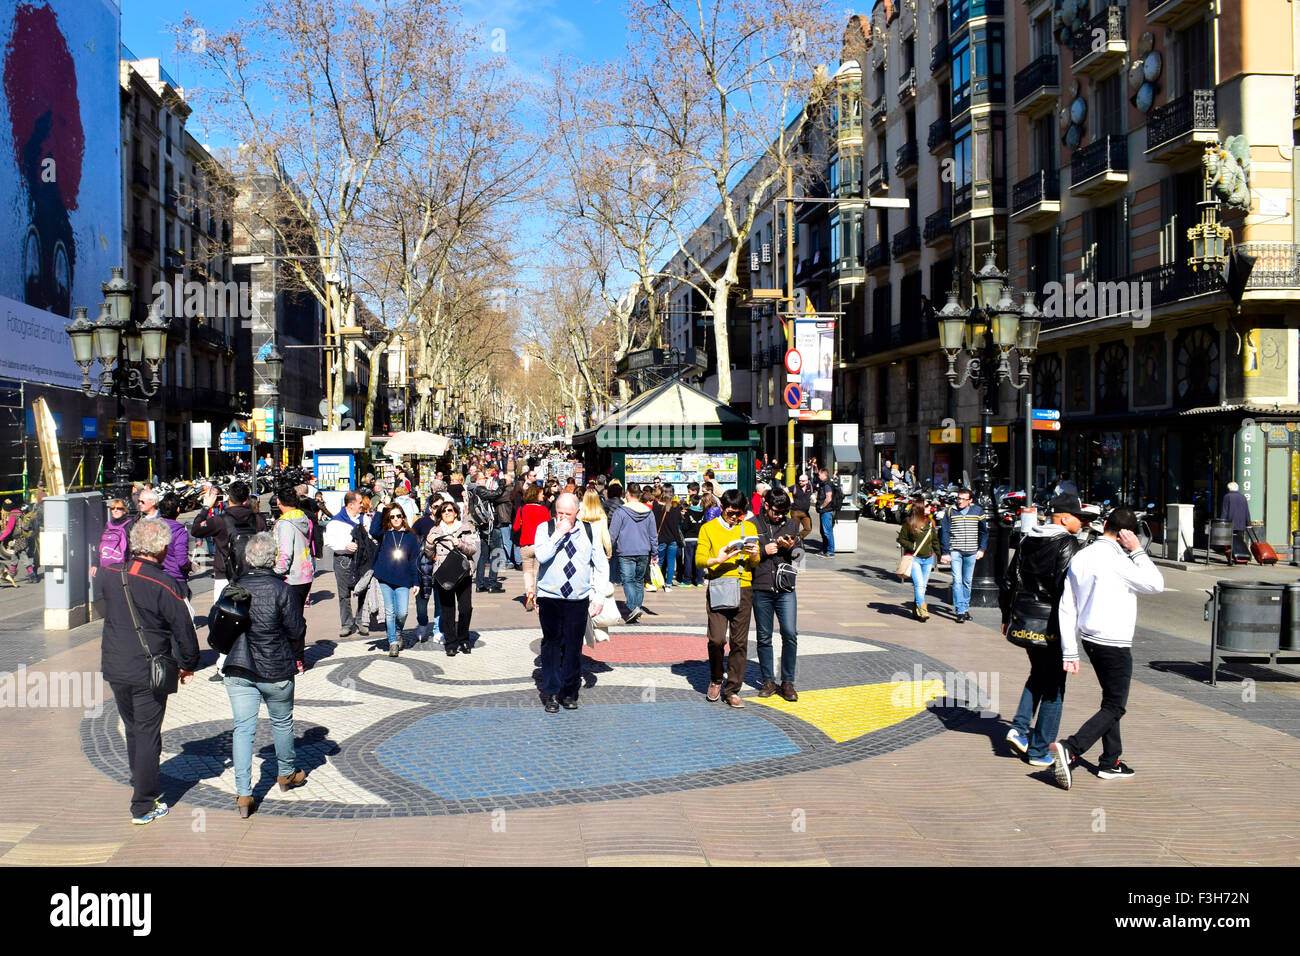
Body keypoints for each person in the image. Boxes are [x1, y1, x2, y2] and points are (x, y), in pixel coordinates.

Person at [1050, 508, 1164, 789]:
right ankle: (1071, 748)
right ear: (1128, 534)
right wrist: (1137, 551)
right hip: (1114, 642)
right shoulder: (1120, 561)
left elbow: (1068, 606)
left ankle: (1110, 761)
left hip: (1090, 639)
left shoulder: (1083, 555)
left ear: (1106, 526)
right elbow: (1156, 584)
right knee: (1115, 706)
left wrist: (1070, 650)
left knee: (1110, 701)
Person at [98, 520, 200, 824]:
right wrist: (188, 663)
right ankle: (142, 803)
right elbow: (185, 630)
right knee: (146, 733)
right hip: (148, 667)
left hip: (116, 664)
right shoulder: (165, 583)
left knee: (133, 728)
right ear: (164, 549)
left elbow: (108, 611)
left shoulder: (110, 574)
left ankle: (139, 780)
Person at [1000, 494, 1088, 769]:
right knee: (1054, 688)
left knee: (1037, 674)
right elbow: (1068, 589)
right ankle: (1039, 750)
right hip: (1051, 623)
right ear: (1063, 518)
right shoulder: (1067, 543)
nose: (1081, 522)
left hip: (1026, 620)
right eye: (1077, 517)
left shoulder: (1028, 539)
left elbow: (1009, 580)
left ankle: (1019, 728)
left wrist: (1007, 615)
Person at [223, 532, 307, 817]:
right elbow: (296, 630)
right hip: (276, 666)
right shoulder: (282, 589)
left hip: (239, 665)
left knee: (243, 730)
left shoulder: (233, 587)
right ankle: (285, 773)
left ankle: (244, 794)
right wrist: (297, 655)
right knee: (282, 722)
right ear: (273, 559)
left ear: (247, 558)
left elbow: (219, 627)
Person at [534, 492, 610, 713]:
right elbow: (542, 556)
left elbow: (601, 565)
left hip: (577, 598)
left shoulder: (589, 530)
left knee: (573, 646)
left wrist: (598, 598)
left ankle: (570, 692)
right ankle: (552, 693)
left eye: (568, 514)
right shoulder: (545, 529)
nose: (563, 518)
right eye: (559, 513)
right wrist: (558, 534)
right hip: (550, 597)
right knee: (552, 645)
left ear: (577, 512)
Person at [697, 489, 760, 707]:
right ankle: (716, 678)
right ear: (722, 508)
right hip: (719, 586)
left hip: (743, 587)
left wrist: (753, 555)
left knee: (739, 642)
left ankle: (732, 688)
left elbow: (755, 562)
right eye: (730, 513)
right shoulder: (708, 528)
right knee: (716, 639)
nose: (734, 518)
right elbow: (699, 560)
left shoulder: (749, 527)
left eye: (739, 514)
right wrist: (717, 559)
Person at [751, 487, 803, 701]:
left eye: (783, 512)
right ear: (766, 505)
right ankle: (768, 681)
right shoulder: (753, 524)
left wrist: (791, 548)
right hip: (761, 587)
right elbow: (747, 555)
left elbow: (800, 557)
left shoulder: (791, 524)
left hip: (785, 588)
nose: (780, 515)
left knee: (790, 634)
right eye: (776, 511)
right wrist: (765, 551)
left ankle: (788, 682)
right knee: (764, 637)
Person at [424, 501, 480, 656]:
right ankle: (450, 642)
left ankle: (464, 638)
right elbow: (429, 555)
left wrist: (460, 543)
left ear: (456, 513)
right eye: (443, 511)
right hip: (445, 574)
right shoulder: (435, 530)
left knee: (466, 608)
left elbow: (473, 549)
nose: (447, 513)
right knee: (447, 610)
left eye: (450, 510)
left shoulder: (465, 528)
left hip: (463, 573)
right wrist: (428, 544)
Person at [369, 503, 419, 657]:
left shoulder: (411, 537)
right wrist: (379, 511)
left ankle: (398, 632)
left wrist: (416, 582)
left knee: (402, 612)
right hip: (385, 577)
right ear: (389, 519)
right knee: (390, 612)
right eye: (392, 517)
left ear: (403, 517)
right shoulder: (384, 533)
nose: (396, 519)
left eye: (398, 516)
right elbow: (372, 530)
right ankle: (393, 642)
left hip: (403, 579)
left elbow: (414, 561)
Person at [272, 487, 314, 671]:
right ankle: (297, 656)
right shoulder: (303, 518)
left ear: (279, 503)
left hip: (291, 575)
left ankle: (295, 658)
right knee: (296, 617)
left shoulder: (285, 524)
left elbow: (285, 552)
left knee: (289, 619)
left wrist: (276, 571)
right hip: (305, 572)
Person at [610, 486, 658, 624]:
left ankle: (632, 607)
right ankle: (636, 608)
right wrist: (654, 552)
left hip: (625, 551)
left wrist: (607, 550)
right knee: (638, 580)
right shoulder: (649, 512)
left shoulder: (620, 512)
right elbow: (653, 535)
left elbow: (612, 534)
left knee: (628, 580)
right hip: (644, 551)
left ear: (628, 494)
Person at [939, 487, 987, 623]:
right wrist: (945, 552)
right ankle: (960, 611)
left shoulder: (978, 511)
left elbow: (984, 532)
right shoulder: (950, 511)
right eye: (959, 498)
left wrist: (982, 549)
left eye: (963, 499)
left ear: (970, 501)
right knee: (957, 581)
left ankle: (965, 608)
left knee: (967, 581)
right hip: (955, 550)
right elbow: (945, 532)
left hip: (971, 551)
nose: (960, 501)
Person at [324, 491, 367, 638]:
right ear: (351, 505)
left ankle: (361, 620)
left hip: (361, 560)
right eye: (360, 502)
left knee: (363, 591)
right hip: (343, 559)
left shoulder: (364, 518)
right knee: (344, 594)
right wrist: (345, 545)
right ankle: (347, 624)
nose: (362, 505)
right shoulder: (336, 521)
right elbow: (329, 541)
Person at [896, 502, 938, 621]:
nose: (930, 508)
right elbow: (901, 539)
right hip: (914, 559)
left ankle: (915, 609)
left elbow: (934, 540)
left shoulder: (930, 522)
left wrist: (940, 555)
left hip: (928, 558)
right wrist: (913, 546)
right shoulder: (909, 521)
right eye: (927, 505)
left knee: (922, 587)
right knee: (919, 585)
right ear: (919, 509)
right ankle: (923, 610)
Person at [513, 484, 551, 611]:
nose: (543, 495)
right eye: (541, 493)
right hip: (540, 545)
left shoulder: (522, 509)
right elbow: (548, 528)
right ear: (535, 495)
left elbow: (516, 527)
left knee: (527, 572)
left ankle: (529, 593)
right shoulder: (544, 510)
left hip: (525, 545)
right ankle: (536, 597)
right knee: (537, 572)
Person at [411, 496, 443, 642]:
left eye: (441, 506)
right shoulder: (422, 523)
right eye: (436, 506)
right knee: (422, 602)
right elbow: (412, 540)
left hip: (442, 567)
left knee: (440, 602)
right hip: (424, 568)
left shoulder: (447, 522)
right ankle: (422, 624)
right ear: (430, 508)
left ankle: (438, 630)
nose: (439, 509)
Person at [157, 495, 192, 593]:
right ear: (178, 509)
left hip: (155, 577)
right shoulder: (179, 531)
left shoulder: (152, 528)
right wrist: (191, 565)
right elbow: (182, 561)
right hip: (175, 579)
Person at [93, 498, 134, 578]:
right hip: (107, 567)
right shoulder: (108, 525)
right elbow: (101, 545)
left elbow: (133, 546)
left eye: (119, 508)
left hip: (123, 566)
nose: (115, 510)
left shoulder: (130, 524)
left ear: (124, 510)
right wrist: (95, 564)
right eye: (112, 508)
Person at [655, 490, 684, 592]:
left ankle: (655, 584)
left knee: (659, 562)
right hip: (673, 539)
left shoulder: (657, 509)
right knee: (671, 562)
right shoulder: (675, 510)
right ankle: (668, 585)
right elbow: (678, 524)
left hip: (661, 539)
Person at [579, 488, 613, 563]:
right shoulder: (602, 515)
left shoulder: (579, 515)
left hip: (582, 551)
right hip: (597, 550)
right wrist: (609, 552)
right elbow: (605, 535)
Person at [1220, 481, 1252, 560]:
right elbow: (1246, 511)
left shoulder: (1227, 496)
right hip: (1241, 524)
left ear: (1229, 488)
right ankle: (1240, 555)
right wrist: (1248, 523)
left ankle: (1232, 557)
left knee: (1229, 541)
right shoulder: (1243, 497)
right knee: (1239, 541)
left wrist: (1222, 522)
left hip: (1230, 523)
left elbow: (1225, 511)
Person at [816, 468, 841, 556]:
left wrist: (822, 506)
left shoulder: (827, 485)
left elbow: (829, 498)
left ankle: (830, 551)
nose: (818, 476)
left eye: (819, 474)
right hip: (824, 511)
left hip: (827, 511)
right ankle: (825, 549)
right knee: (823, 531)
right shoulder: (824, 484)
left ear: (824, 475)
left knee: (827, 531)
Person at [790, 475, 813, 540]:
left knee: (808, 528)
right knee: (795, 530)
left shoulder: (810, 486)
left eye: (803, 481)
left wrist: (814, 496)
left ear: (807, 481)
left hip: (805, 512)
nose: (800, 482)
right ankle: (793, 544)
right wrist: (789, 498)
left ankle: (797, 539)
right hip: (795, 512)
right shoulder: (795, 487)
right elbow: (784, 490)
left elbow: (819, 487)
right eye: (799, 480)